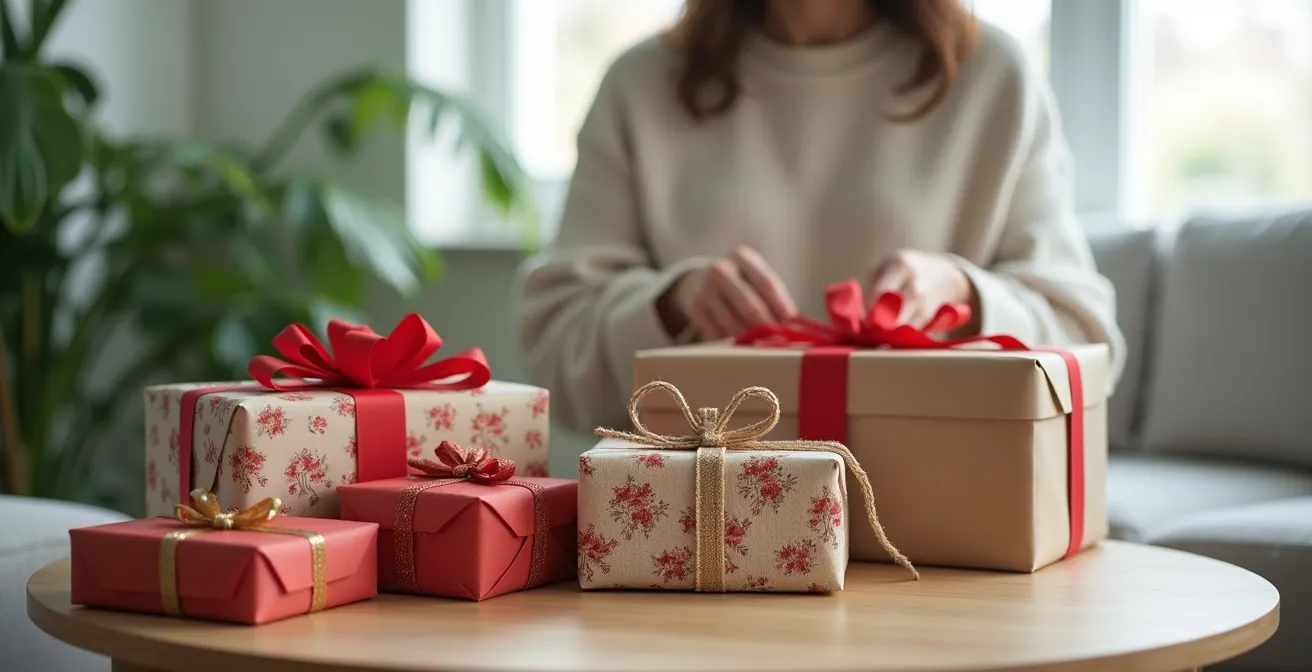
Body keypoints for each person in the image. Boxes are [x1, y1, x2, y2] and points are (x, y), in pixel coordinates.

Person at [515, 0, 1125, 432]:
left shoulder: (994, 76)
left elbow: (1090, 346)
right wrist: (671, 305)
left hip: (942, 531)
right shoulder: (640, 84)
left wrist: (964, 295)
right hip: (698, 538)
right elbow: (553, 352)